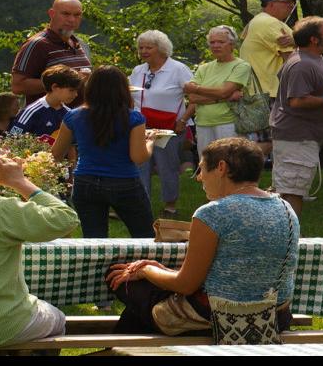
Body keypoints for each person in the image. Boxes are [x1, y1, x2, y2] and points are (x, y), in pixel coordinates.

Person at [105, 138, 299, 336]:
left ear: (221, 167)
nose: (199, 177)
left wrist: (145, 270)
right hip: (274, 317)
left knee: (122, 279)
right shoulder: (285, 208)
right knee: (141, 305)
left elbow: (186, 285)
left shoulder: (213, 213)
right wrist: (160, 270)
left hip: (217, 319)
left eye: (202, 169)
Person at [51, 66, 159, 238]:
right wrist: (150, 142)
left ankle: (97, 266)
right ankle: (145, 265)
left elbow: (55, 155)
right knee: (145, 236)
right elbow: (138, 157)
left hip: (85, 181)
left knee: (94, 240)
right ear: (123, 90)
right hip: (124, 181)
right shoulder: (134, 118)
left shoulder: (73, 116)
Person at [270, 17, 323, 215]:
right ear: (314, 40)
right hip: (296, 137)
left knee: (293, 189)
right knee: (292, 192)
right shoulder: (302, 64)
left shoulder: (311, 58)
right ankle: (290, 237)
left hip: (302, 136)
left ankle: (287, 236)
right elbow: (296, 101)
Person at [0, 151, 80, 347]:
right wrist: (20, 182)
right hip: (6, 322)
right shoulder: (4, 211)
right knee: (58, 317)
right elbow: (66, 219)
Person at [131, 30, 193, 219]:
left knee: (168, 166)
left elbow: (195, 97)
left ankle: (170, 206)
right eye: (141, 47)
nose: (143, 51)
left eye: (149, 47)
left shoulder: (178, 69)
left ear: (162, 48)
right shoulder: (138, 70)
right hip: (141, 127)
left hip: (170, 128)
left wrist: (183, 120)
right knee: (141, 165)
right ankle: (143, 205)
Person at [241, 0, 300, 155]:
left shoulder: (257, 21)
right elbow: (293, 59)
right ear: (271, 5)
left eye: (292, 2)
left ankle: (245, 178)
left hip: (259, 91)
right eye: (286, 2)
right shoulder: (269, 23)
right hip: (270, 92)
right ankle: (242, 175)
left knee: (267, 141)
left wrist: (297, 40)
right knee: (271, 142)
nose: (291, 5)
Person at [11, 0, 92, 107]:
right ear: (51, 14)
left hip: (78, 121)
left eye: (77, 15)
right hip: (47, 121)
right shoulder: (37, 44)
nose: (72, 19)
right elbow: (18, 86)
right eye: (66, 14)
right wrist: (66, 81)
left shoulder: (81, 44)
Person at [182, 25, 252, 153]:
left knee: (230, 165)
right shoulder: (204, 68)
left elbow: (224, 91)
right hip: (203, 123)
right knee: (207, 165)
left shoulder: (241, 66)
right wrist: (223, 97)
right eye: (212, 42)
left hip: (229, 123)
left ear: (232, 44)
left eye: (221, 42)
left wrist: (197, 89)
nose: (215, 46)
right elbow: (192, 97)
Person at [9, 64, 81, 140]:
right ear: (55, 87)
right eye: (71, 90)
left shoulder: (68, 113)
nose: (76, 94)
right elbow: (11, 141)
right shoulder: (32, 112)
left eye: (76, 90)